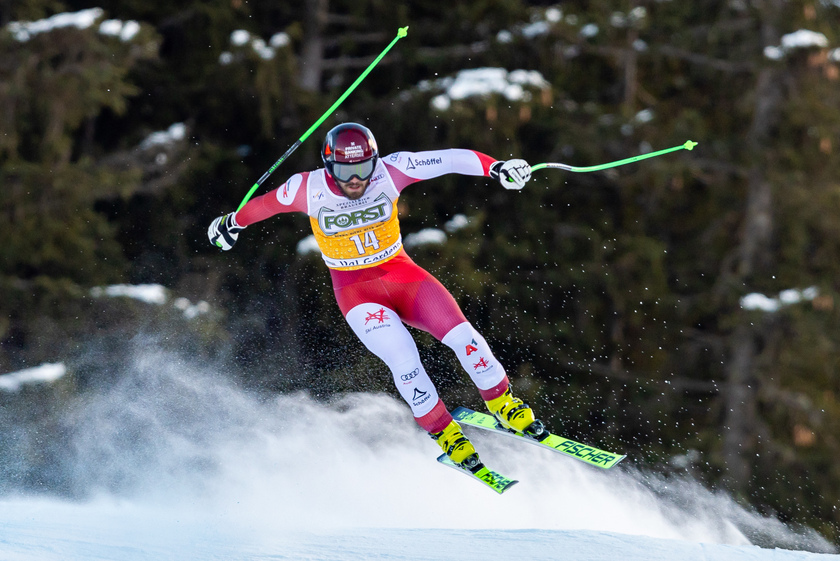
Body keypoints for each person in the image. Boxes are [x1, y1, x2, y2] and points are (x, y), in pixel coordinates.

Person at [209, 122, 544, 469]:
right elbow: (263, 206)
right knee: (406, 360)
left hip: (404, 277)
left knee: (465, 337)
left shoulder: (391, 170)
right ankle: (446, 434)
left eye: (363, 170)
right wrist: (230, 224)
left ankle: (503, 403)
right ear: (329, 166)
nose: (355, 180)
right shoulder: (305, 189)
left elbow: (449, 160)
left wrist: (497, 168)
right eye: (344, 172)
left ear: (374, 160)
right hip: (357, 294)